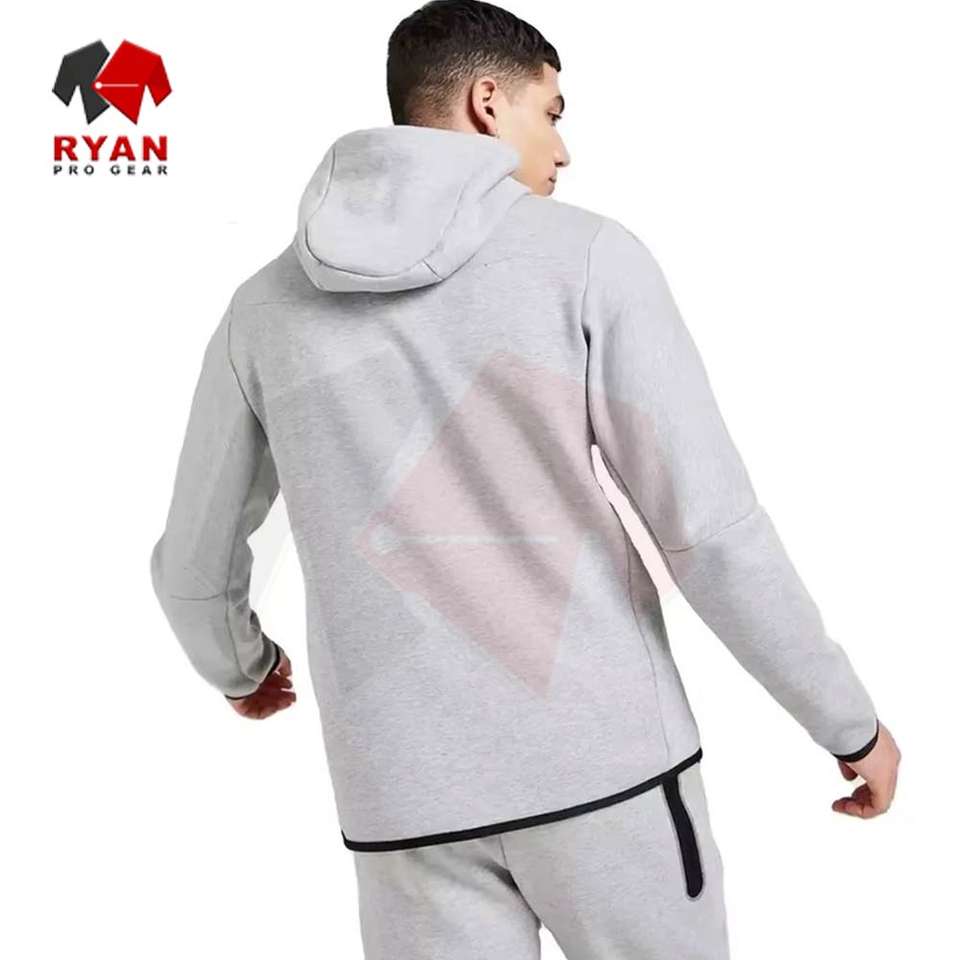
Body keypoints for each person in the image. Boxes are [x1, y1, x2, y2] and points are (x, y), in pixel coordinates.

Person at [149, 1, 901, 956]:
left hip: (403, 802)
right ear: (486, 101)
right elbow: (708, 531)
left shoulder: (261, 311)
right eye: (551, 112)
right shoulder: (586, 257)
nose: (564, 148)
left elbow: (194, 562)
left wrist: (239, 665)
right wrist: (846, 724)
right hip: (610, 775)